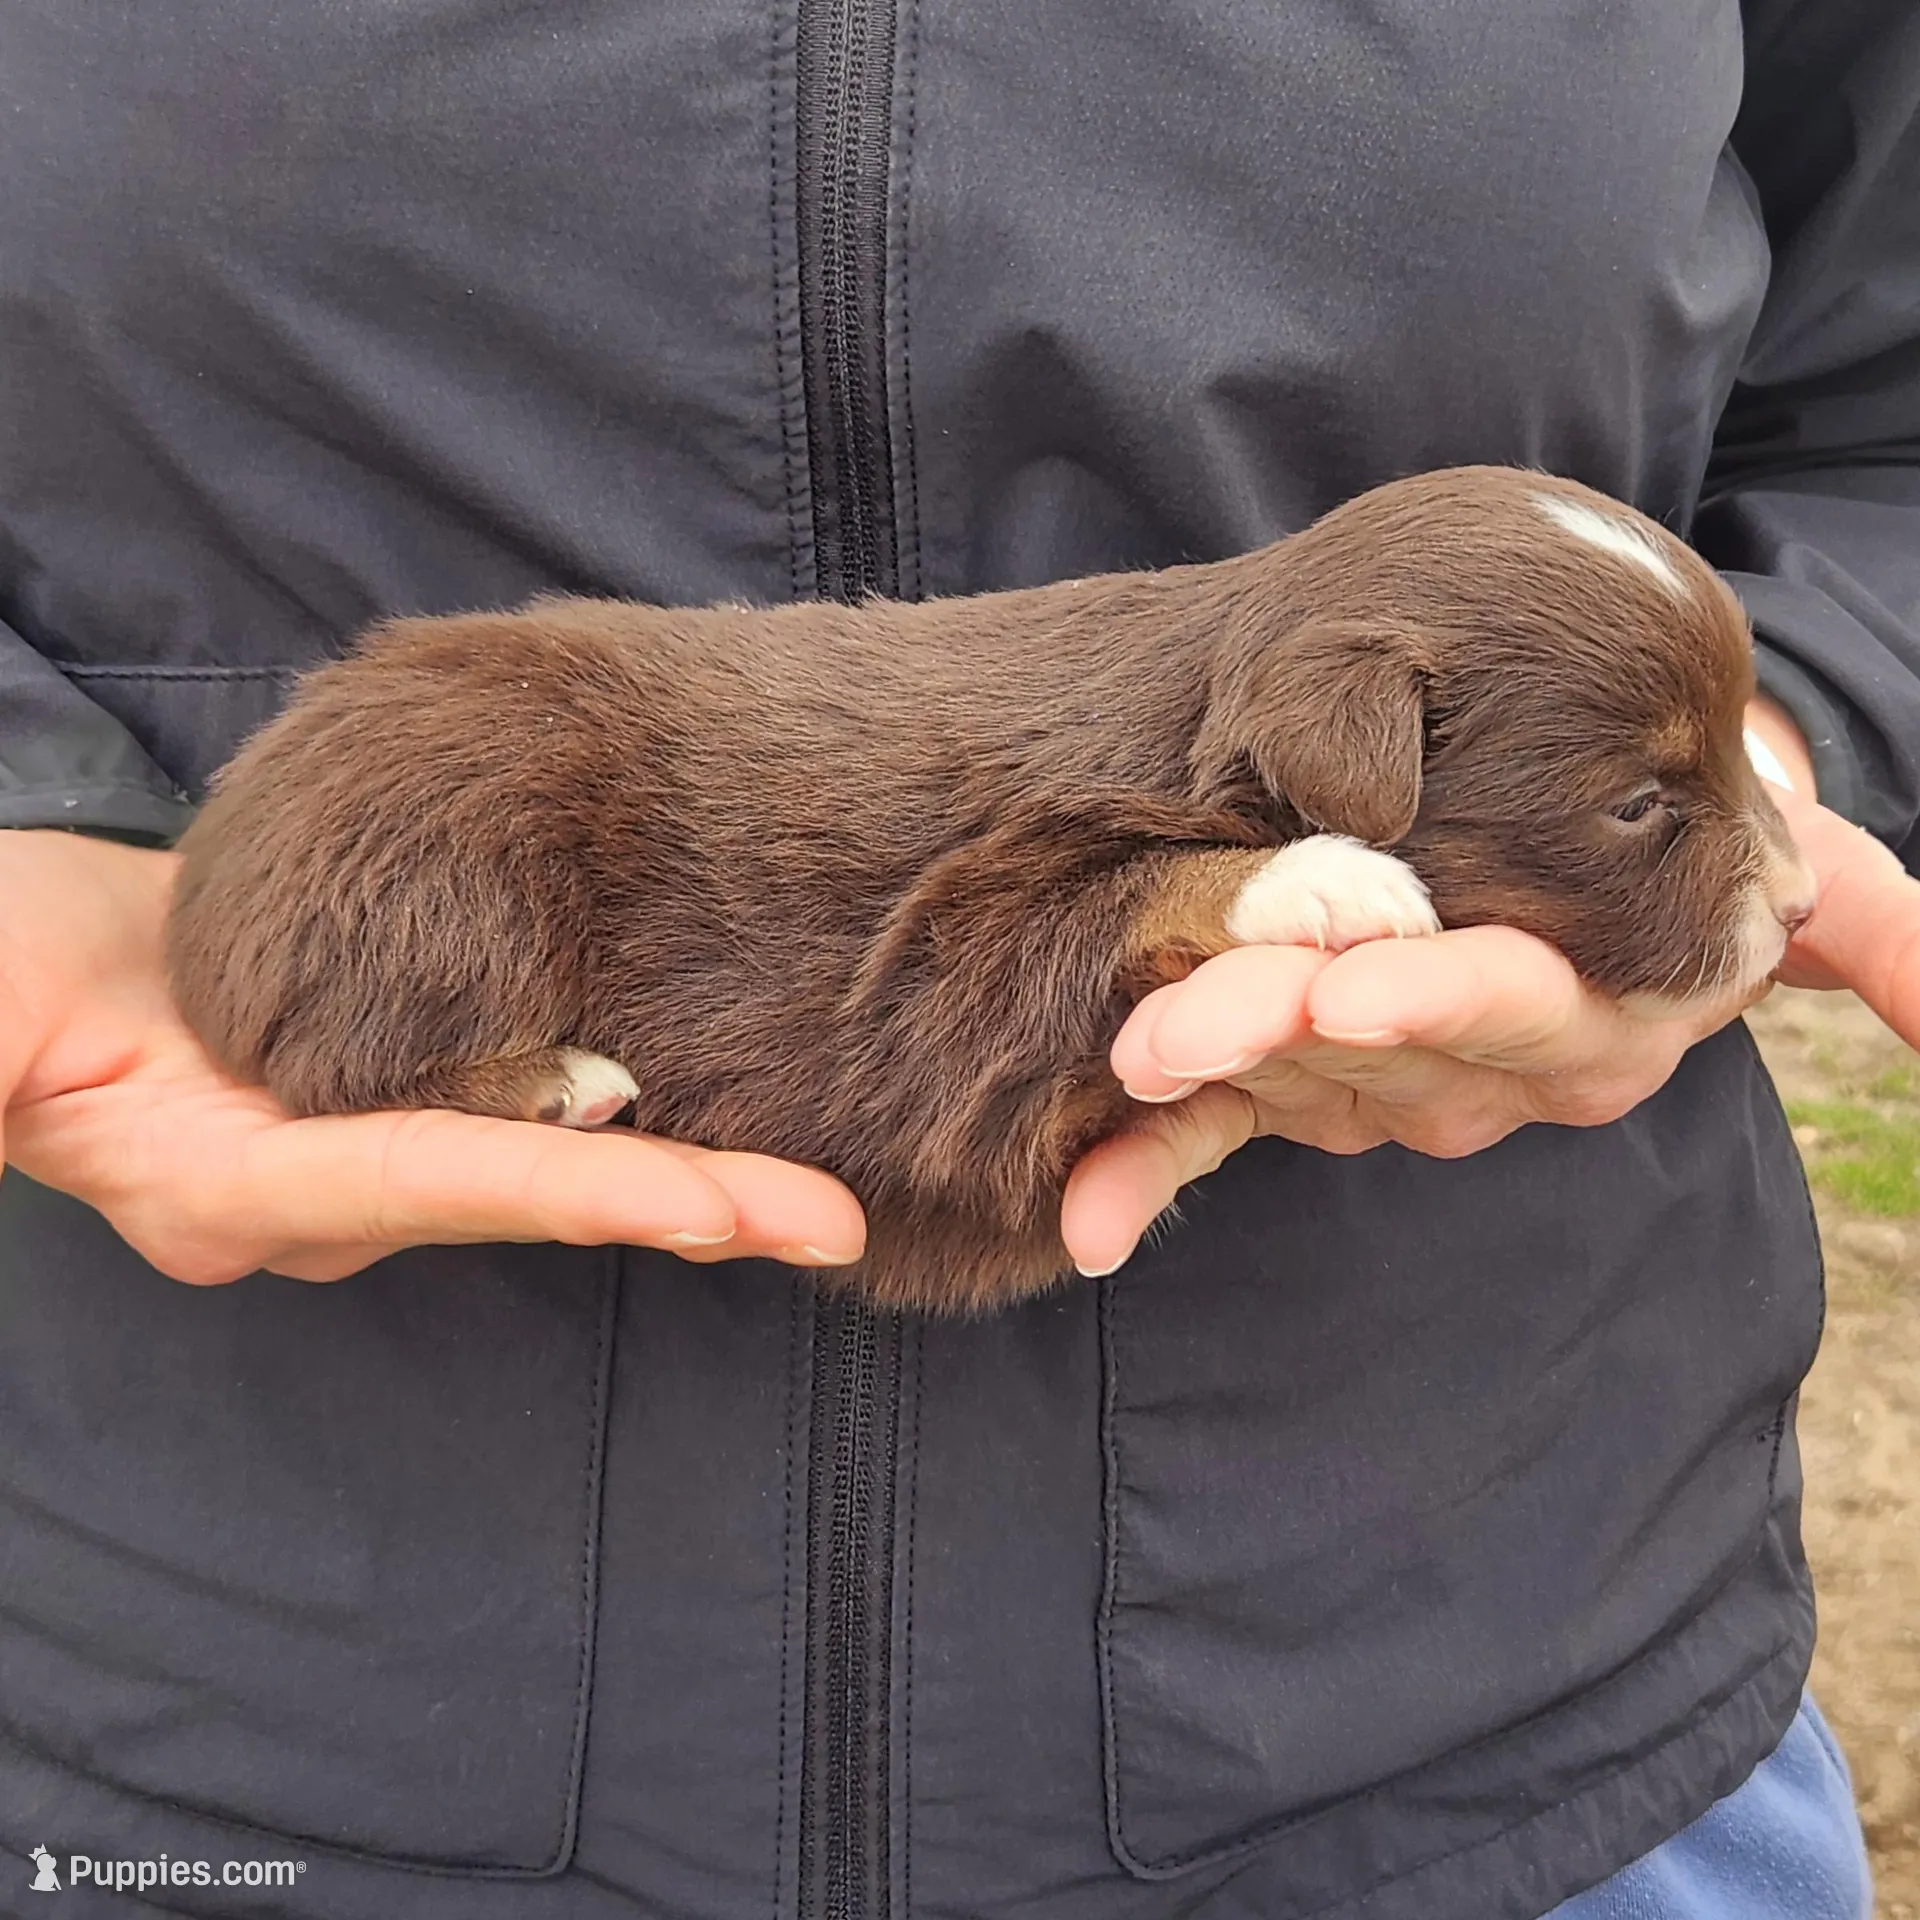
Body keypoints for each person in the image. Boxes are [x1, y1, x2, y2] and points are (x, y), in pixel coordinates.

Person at [0, 3, 1914, 1915]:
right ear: (1343, 751)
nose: (1756, 881)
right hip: (233, 1742)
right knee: (466, 831)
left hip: (1497, 1745)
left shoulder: (1299, 716)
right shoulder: (1169, 767)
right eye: (1653, 812)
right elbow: (993, 964)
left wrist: (1792, 715)